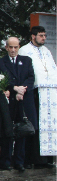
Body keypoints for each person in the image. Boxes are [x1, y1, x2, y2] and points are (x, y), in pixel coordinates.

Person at [0, 37, 36, 171]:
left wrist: (22, 90)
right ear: (6, 47)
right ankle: (5, 162)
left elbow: (30, 77)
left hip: (22, 99)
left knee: (22, 131)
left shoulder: (26, 60)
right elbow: (0, 79)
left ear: (19, 47)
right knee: (8, 131)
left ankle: (19, 161)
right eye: (10, 47)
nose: (13, 50)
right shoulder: (0, 62)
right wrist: (14, 89)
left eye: (15, 47)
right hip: (9, 101)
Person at [18, 26, 57, 165]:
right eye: (41, 35)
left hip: (50, 94)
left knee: (50, 125)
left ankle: (47, 158)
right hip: (34, 94)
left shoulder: (46, 51)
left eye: (45, 35)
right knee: (35, 125)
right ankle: (34, 159)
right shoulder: (24, 50)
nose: (44, 38)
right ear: (33, 36)